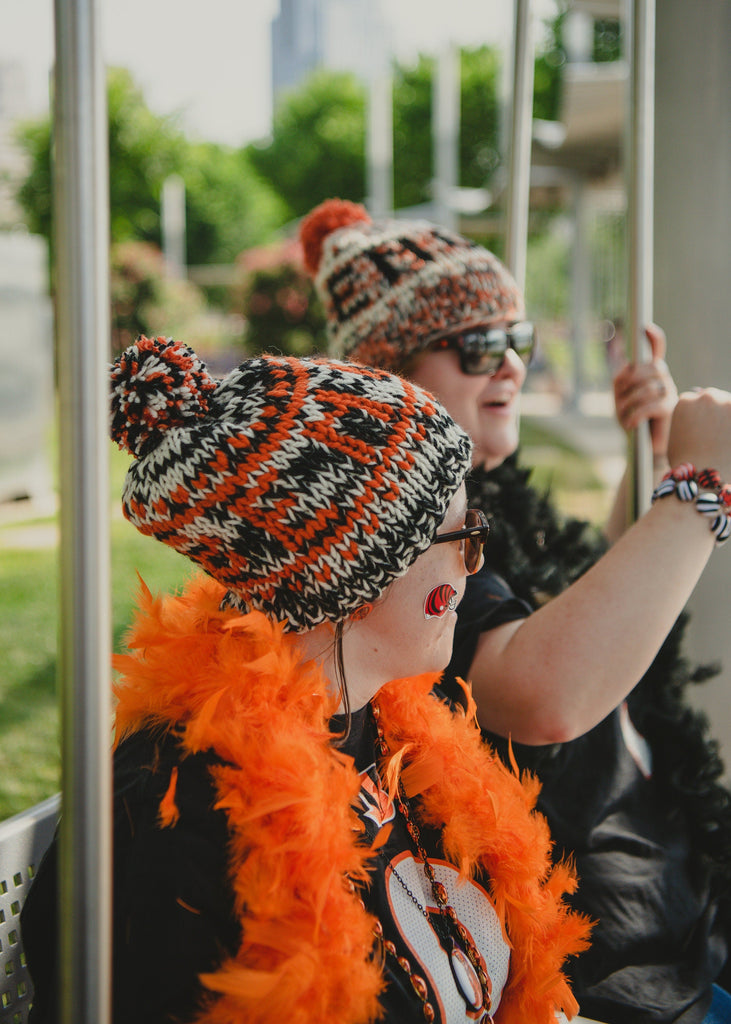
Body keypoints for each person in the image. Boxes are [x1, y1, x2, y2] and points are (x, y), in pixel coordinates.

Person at [21, 335, 592, 1024]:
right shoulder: (177, 824)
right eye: (462, 537)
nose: (474, 567)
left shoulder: (394, 725)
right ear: (351, 581)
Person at [299, 198, 731, 1024]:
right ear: (388, 375)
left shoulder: (487, 507)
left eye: (517, 341)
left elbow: (577, 607)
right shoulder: (405, 537)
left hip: (672, 925)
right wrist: (695, 494)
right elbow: (540, 694)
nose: (509, 367)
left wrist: (644, 460)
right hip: (601, 974)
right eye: (476, 345)